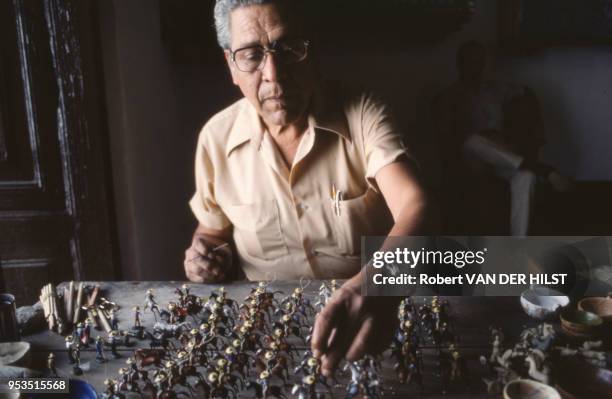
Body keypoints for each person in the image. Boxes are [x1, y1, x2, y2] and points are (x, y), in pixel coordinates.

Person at [184, 0, 427, 375]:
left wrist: (376, 286)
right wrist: (206, 255)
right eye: (251, 55)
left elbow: (417, 206)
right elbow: (212, 231)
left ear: (312, 51)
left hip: (371, 321)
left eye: (290, 49)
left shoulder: (362, 112)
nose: (274, 75)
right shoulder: (215, 139)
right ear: (231, 65)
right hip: (267, 332)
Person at [434, 41, 572, 236]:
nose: (476, 66)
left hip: (501, 152)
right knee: (473, 141)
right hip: (472, 157)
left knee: (527, 177)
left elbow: (527, 93)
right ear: (460, 64)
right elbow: (447, 134)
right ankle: (543, 169)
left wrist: (533, 123)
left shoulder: (496, 89)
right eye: (471, 61)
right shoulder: (451, 95)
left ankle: (518, 244)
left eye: (479, 61)